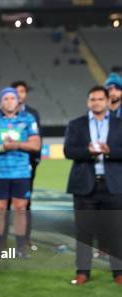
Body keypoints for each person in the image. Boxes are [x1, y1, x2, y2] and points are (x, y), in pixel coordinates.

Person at [64, 86, 122, 285]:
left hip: (113, 185)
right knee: (84, 231)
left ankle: (119, 272)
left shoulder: (119, 124)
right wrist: (88, 151)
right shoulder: (76, 124)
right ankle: (82, 272)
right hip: (84, 185)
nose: (96, 102)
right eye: (92, 99)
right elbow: (68, 151)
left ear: (107, 101)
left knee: (116, 229)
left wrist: (109, 151)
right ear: (88, 102)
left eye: (100, 99)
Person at [0, 87, 41, 256]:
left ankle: (20, 248)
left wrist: (16, 145)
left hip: (21, 172)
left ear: (18, 101)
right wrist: (3, 147)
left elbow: (36, 145)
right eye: (6, 98)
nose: (9, 101)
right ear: (1, 101)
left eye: (12, 98)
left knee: (20, 208)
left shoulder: (28, 119)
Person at [11, 81, 42, 250]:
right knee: (5, 203)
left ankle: (25, 238)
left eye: (22, 91)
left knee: (25, 203)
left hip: (27, 163)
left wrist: (35, 160)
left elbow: (38, 137)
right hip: (6, 165)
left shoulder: (32, 114)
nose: (19, 94)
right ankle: (6, 239)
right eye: (16, 91)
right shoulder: (1, 113)